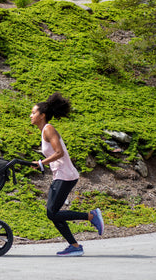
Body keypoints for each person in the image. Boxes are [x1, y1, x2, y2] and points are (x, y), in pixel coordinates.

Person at [30, 92, 104, 257]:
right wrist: (41, 165)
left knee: (52, 213)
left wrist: (42, 162)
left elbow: (59, 152)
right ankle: (74, 245)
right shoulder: (44, 131)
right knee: (53, 213)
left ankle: (91, 216)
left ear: (42, 115)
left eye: (33, 113)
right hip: (60, 175)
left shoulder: (48, 129)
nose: (31, 115)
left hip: (66, 175)